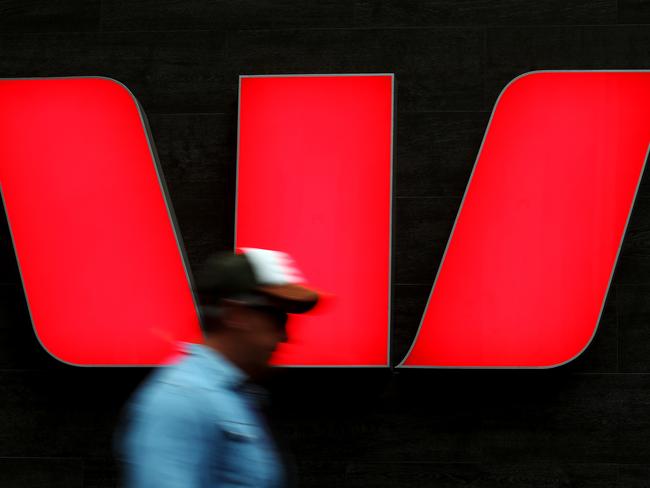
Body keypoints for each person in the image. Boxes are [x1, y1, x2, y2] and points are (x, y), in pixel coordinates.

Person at [113, 247, 319, 487]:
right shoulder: (181, 400)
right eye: (278, 318)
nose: (284, 336)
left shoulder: (235, 395)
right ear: (236, 314)